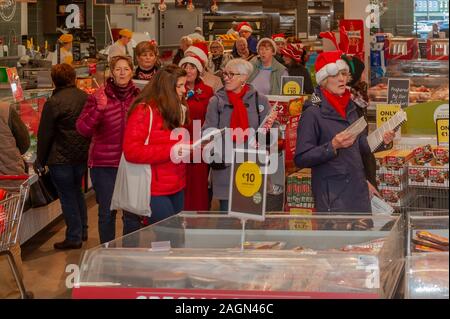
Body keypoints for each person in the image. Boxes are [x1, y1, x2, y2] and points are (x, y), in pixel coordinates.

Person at [294, 51, 393, 213]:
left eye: (344, 74)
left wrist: (382, 140)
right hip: (332, 198)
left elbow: (360, 146)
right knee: (338, 238)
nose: (342, 79)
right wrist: (332, 146)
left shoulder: (350, 107)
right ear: (324, 80)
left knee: (364, 238)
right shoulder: (313, 112)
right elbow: (301, 157)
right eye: (335, 75)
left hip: (358, 191)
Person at [76, 55, 140, 243]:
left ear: (132, 72)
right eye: (118, 69)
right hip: (104, 165)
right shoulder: (98, 96)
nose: (122, 73)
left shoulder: (139, 97)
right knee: (106, 212)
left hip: (131, 163)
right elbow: (82, 129)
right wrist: (99, 109)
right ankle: (107, 253)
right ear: (112, 72)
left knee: (132, 214)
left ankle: (131, 253)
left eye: (126, 69)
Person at [123, 65, 190, 228]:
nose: (184, 90)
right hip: (154, 187)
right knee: (167, 237)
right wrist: (171, 151)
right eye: (179, 86)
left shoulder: (178, 107)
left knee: (176, 238)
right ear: (167, 88)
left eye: (184, 85)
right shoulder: (144, 111)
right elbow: (131, 151)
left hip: (177, 182)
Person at [203, 59, 270, 212]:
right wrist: (213, 153)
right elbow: (207, 131)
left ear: (244, 77)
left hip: (252, 168)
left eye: (231, 74)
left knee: (252, 216)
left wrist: (266, 137)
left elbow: (272, 129)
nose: (225, 77)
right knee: (227, 220)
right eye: (224, 74)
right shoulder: (216, 101)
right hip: (226, 167)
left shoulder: (260, 100)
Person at [36, 64, 90, 250]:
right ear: (74, 78)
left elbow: (45, 134)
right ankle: (82, 230)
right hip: (82, 155)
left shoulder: (53, 102)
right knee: (77, 192)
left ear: (53, 80)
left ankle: (74, 236)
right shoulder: (85, 97)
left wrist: (39, 161)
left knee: (67, 196)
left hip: (60, 158)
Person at [341, 54, 395, 192]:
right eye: (363, 71)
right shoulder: (348, 103)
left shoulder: (359, 99)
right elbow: (351, 144)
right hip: (355, 171)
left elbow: (362, 141)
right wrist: (362, 179)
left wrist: (383, 141)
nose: (366, 75)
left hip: (364, 165)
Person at [0, 99, 31, 298]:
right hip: (7, 184)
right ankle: (12, 293)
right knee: (6, 242)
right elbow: (25, 142)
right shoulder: (4, 108)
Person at [179, 50, 214, 211]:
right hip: (179, 142)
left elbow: (212, 118)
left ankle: (199, 218)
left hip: (200, 143)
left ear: (198, 70)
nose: (188, 70)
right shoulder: (176, 90)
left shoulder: (207, 91)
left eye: (192, 67)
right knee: (180, 180)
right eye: (185, 67)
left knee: (199, 183)